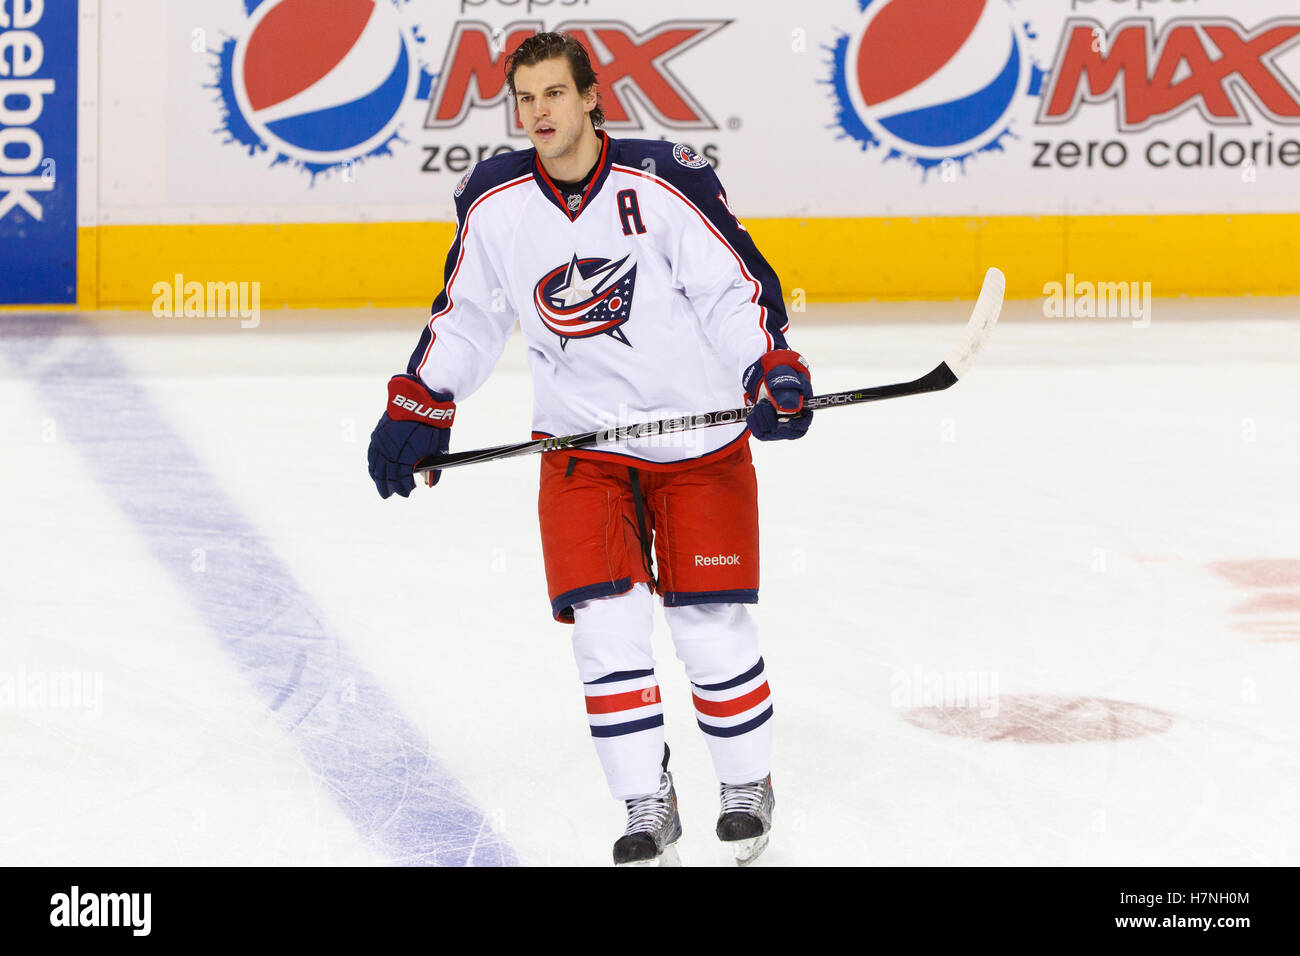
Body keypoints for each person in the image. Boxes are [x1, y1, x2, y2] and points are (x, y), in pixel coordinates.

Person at [367, 31, 812, 866]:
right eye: (525, 98)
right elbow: (467, 315)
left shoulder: (663, 177)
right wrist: (425, 400)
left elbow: (731, 289)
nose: (539, 112)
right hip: (581, 450)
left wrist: (768, 365)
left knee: (711, 624)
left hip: (699, 439)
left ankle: (747, 785)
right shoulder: (495, 200)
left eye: (554, 95)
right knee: (605, 631)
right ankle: (648, 801)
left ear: (590, 97)